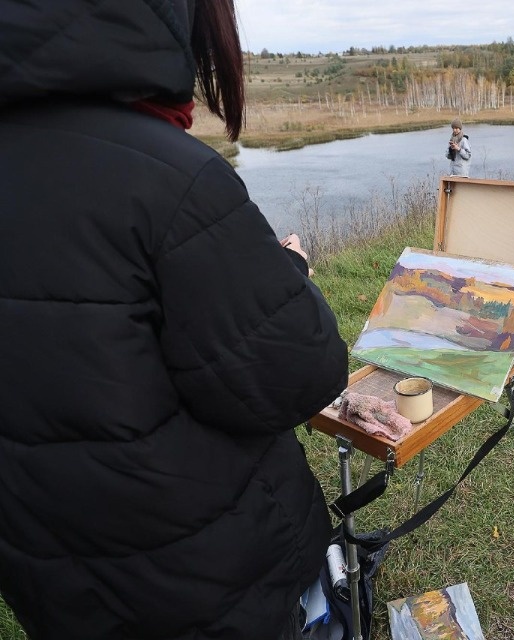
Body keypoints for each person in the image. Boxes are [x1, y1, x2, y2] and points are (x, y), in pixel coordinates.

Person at [0, 2, 349, 639]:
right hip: (221, 590)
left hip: (60, 592)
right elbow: (302, 372)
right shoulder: (169, 177)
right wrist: (288, 273)